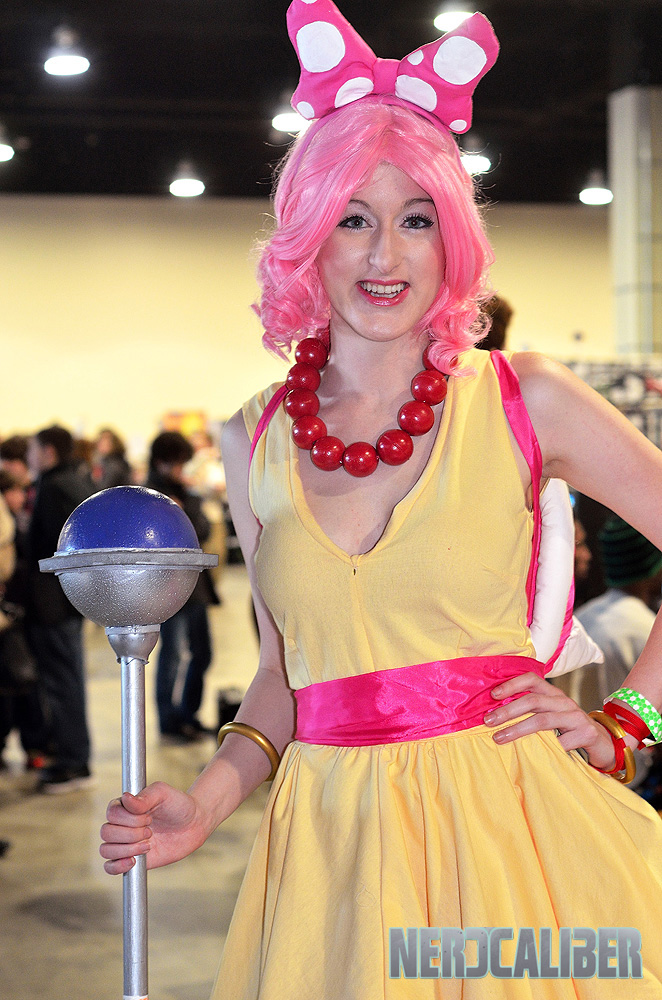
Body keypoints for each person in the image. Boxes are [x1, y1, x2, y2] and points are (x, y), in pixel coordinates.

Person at [100, 5, 662, 995]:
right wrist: (209, 803)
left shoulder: (523, 397)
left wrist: (626, 720)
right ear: (307, 236)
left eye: (417, 219)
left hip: (507, 840)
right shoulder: (253, 436)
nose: (383, 256)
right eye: (352, 218)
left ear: (453, 239)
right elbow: (285, 676)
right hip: (330, 856)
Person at [26, 425, 94, 792]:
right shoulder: (76, 480)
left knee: (63, 681)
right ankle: (72, 755)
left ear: (48, 451)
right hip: (69, 598)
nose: (29, 457)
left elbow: (53, 550)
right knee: (68, 678)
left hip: (52, 601)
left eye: (33, 450)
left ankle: (73, 761)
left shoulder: (54, 487)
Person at [146, 432, 219, 740]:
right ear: (160, 462)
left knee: (203, 653)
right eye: (175, 463)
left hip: (195, 585)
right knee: (172, 654)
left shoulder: (185, 492)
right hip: (167, 586)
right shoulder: (149, 496)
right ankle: (169, 720)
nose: (180, 469)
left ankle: (189, 714)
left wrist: (185, 507)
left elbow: (202, 530)